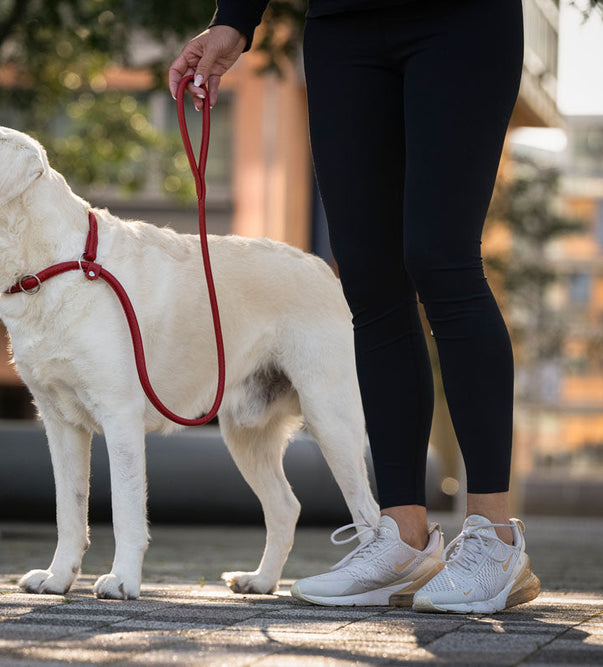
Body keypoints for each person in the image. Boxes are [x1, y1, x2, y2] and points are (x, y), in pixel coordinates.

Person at [169, 0, 541, 613]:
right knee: (370, 279)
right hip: (342, 27)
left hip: (462, 18)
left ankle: (495, 541)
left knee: (440, 259)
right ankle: (403, 541)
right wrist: (234, 16)